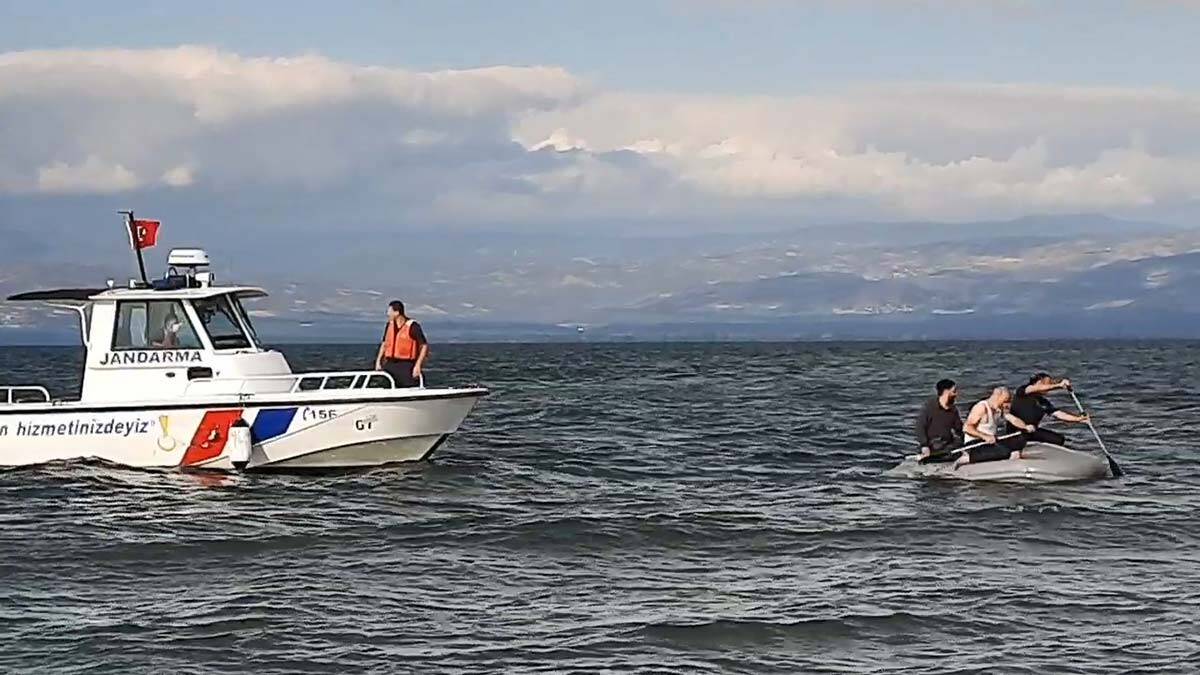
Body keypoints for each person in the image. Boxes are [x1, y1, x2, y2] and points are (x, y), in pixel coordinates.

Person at [956, 386, 1036, 467]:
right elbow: (967, 428)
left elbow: (1013, 419)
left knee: (1020, 440)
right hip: (975, 444)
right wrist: (985, 436)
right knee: (1005, 452)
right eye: (1005, 401)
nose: (1006, 404)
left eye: (1008, 401)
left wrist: (1025, 427)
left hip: (990, 442)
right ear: (997, 396)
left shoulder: (999, 409)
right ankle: (967, 458)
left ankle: (1007, 457)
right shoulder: (981, 407)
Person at [1008, 372, 1089, 446]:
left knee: (1059, 439)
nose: (1049, 386)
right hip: (1017, 431)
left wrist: (1078, 419)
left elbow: (1058, 414)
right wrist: (1058, 385)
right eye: (1048, 383)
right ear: (1039, 382)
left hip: (1032, 431)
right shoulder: (1022, 391)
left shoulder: (1043, 402)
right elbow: (1034, 388)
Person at [374, 300, 429, 388]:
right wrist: (378, 361)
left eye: (390, 311)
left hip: (406, 365)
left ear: (397, 312)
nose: (388, 314)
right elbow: (384, 344)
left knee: (409, 387)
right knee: (386, 387)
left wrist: (418, 365)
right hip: (390, 364)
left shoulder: (412, 326)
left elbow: (424, 346)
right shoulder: (389, 325)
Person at [915, 378, 964, 462]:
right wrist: (924, 446)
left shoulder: (953, 410)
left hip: (947, 443)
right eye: (954, 391)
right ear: (946, 392)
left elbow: (959, 429)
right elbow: (920, 427)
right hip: (932, 445)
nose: (956, 394)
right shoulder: (929, 407)